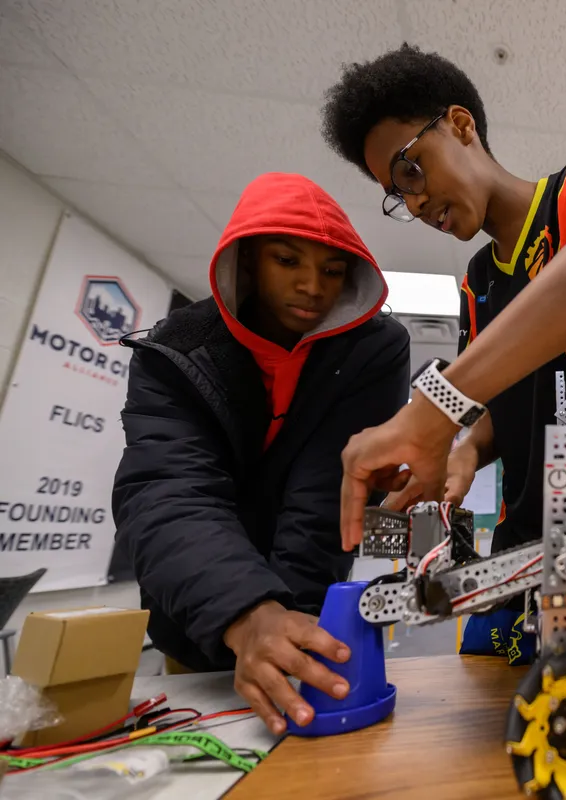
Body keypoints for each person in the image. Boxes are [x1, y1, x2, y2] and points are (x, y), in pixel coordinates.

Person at [322, 45, 566, 661]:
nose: (414, 203)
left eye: (411, 170)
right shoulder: (477, 281)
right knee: (495, 683)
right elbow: (501, 402)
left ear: (461, 126)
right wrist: (464, 451)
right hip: (521, 551)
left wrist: (435, 407)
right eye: (397, 194)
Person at [112, 173, 410, 734]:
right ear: (248, 260)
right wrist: (246, 615)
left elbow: (323, 497)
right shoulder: (175, 352)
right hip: (197, 623)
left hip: (306, 622)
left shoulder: (372, 350)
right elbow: (168, 492)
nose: (312, 286)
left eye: (332, 270)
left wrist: (287, 627)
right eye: (287, 260)